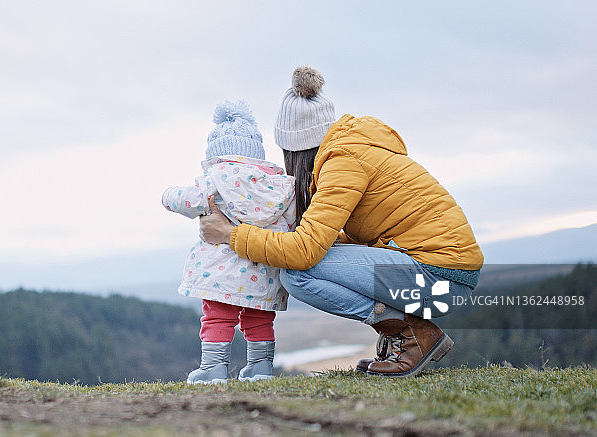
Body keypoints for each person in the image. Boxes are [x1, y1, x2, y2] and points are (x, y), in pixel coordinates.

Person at [199, 67, 484, 378]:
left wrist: (230, 234)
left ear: (295, 147)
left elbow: (302, 254)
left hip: (438, 279)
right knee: (307, 263)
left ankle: (413, 335)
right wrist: (339, 242)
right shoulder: (355, 149)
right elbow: (385, 235)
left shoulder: (342, 161)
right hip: (445, 274)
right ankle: (409, 334)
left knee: (296, 274)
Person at [162, 100, 296, 384]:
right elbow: (296, 219)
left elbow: (186, 200)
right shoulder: (280, 185)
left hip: (223, 273)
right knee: (259, 318)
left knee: (217, 317)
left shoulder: (216, 180)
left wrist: (167, 195)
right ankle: (260, 368)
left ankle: (213, 368)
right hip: (265, 272)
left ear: (217, 155)